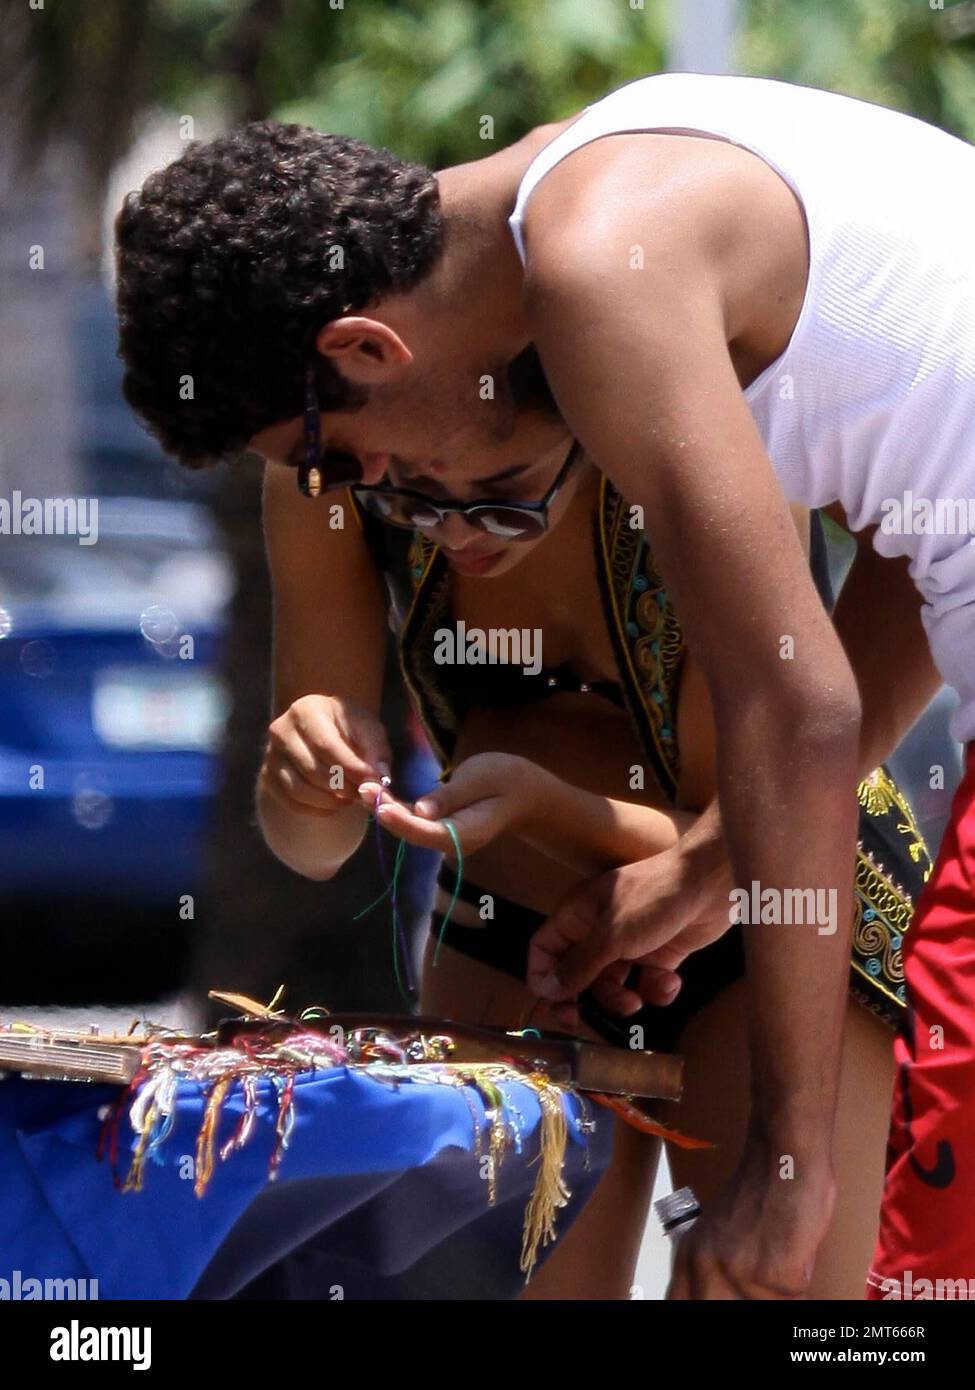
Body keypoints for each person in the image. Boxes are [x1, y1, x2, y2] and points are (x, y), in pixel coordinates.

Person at [114, 71, 975, 1299]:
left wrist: (790, 1167)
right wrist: (717, 863)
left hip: (787, 911)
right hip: (651, 899)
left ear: (365, 348)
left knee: (881, 1276)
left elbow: (802, 709)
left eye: (349, 456)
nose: (377, 492)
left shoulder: (599, 280)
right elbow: (914, 537)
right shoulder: (581, 198)